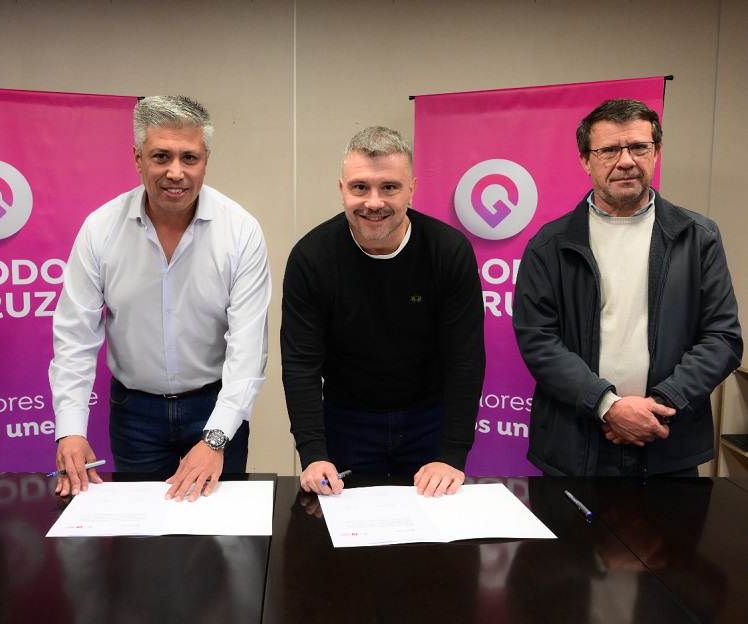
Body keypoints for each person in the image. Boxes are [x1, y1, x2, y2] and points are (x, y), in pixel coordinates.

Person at [49, 95, 271, 501]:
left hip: (216, 407)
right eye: (161, 156)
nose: (176, 172)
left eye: (190, 158)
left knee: (220, 531)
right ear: (138, 158)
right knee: (143, 533)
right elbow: (75, 337)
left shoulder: (241, 231)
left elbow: (248, 348)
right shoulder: (100, 229)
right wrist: (70, 430)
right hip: (136, 415)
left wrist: (216, 437)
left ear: (206, 160)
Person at [512, 98, 742, 477]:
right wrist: (609, 406)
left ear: (656, 152)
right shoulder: (549, 245)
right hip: (576, 445)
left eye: (638, 147)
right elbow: (538, 340)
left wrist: (658, 406)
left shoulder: (698, 237)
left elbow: (722, 338)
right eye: (608, 150)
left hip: (667, 438)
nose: (626, 161)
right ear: (585, 160)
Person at [281, 126, 485, 498]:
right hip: (346, 421)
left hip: (430, 420)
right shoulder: (311, 257)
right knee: (343, 528)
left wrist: (452, 454)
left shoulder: (448, 250)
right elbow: (301, 363)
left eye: (389, 187)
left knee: (432, 530)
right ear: (342, 189)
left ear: (412, 189)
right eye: (360, 187)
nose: (373, 202)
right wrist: (313, 453)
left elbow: (465, 358)